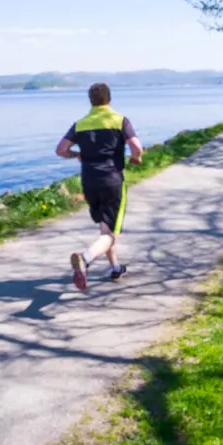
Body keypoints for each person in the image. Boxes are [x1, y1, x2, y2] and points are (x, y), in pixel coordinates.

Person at [55, 82, 143, 291]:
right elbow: (136, 146)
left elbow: (61, 150)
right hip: (112, 179)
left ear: (91, 101)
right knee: (111, 234)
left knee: (105, 227)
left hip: (89, 181)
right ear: (108, 99)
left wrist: (77, 154)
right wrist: (136, 158)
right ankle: (85, 259)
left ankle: (115, 268)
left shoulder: (80, 124)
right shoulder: (119, 120)